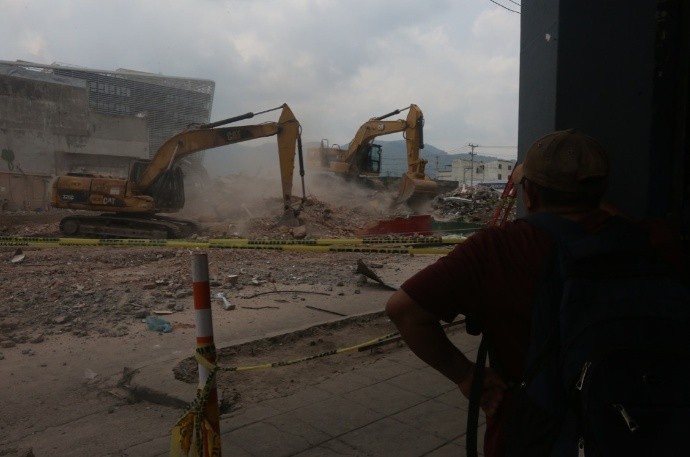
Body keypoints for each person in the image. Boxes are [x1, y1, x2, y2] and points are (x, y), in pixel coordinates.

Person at [385, 128, 616, 456]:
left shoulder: (499, 248)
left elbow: (403, 309)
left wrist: (465, 374)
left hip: (533, 430)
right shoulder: (652, 241)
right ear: (602, 190)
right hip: (636, 421)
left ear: (530, 194)